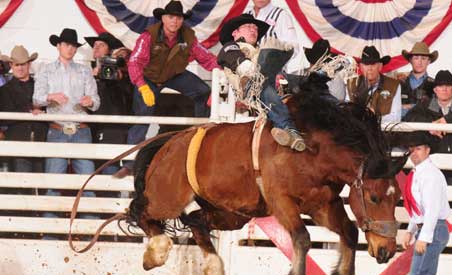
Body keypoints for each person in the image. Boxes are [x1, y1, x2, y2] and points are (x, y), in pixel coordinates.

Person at [116, 0, 220, 178]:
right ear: (163, 18)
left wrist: (223, 72)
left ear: (182, 20)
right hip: (149, 78)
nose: (175, 21)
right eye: (171, 17)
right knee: (142, 116)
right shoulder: (148, 36)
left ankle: (201, 129)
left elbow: (207, 59)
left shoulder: (189, 38)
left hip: (174, 75)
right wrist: (142, 86)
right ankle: (130, 163)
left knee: (203, 91)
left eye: (178, 18)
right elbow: (134, 62)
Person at [33, 28, 100, 219]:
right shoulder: (46, 70)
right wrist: (50, 97)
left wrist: (90, 102)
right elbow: (36, 99)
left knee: (87, 185)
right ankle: (50, 233)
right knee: (54, 184)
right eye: (67, 45)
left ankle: (90, 231)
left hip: (81, 129)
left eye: (73, 46)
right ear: (59, 46)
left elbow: (96, 100)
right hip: (57, 129)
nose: (70, 49)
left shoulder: (84, 71)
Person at [217, 14, 305, 151]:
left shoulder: (260, 50)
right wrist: (243, 64)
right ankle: (289, 129)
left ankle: (323, 73)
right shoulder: (232, 47)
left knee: (303, 83)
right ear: (235, 32)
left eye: (256, 28)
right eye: (248, 26)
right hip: (251, 91)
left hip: (270, 84)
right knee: (261, 82)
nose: (253, 29)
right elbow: (229, 55)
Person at [401, 130, 452, 275]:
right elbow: (421, 207)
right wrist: (411, 230)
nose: (414, 153)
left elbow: (433, 209)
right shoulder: (420, 173)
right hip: (429, 227)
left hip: (433, 228)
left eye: (418, 148)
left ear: (427, 150)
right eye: (411, 150)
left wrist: (424, 236)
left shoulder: (430, 175)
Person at [406, 70, 452, 185]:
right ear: (435, 90)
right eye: (440, 86)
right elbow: (409, 117)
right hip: (433, 161)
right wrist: (430, 124)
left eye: (448, 86)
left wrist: (446, 120)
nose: (444, 89)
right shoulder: (425, 105)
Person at [84, 32, 132, 177]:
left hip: (113, 126)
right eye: (95, 45)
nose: (96, 48)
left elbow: (128, 94)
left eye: (101, 45)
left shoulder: (121, 70)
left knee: (109, 167)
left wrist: (118, 75)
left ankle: (112, 197)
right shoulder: (86, 72)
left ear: (109, 51)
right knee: (92, 168)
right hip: (91, 127)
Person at [0, 45, 47, 181]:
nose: (20, 68)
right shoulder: (4, 90)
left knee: (42, 182)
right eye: (17, 64)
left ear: (29, 64)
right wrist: (30, 110)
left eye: (23, 64)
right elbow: (4, 117)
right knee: (22, 183)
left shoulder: (40, 86)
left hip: (42, 140)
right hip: (18, 141)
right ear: (11, 65)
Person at [246, 0, 302, 88]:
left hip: (273, 76)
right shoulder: (246, 15)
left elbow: (293, 48)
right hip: (247, 74)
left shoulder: (281, 15)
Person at [346, 46, 401, 123]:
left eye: (373, 64)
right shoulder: (351, 84)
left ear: (380, 66)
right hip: (358, 132)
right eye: (366, 64)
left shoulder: (393, 85)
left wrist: (373, 117)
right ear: (361, 67)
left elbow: (396, 118)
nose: (370, 68)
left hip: (384, 133)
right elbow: (347, 116)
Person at [400, 42, 437, 118]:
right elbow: (391, 110)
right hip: (400, 128)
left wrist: (407, 107)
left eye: (423, 58)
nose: (419, 62)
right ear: (410, 60)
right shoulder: (399, 83)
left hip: (425, 127)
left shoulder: (436, 85)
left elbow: (436, 110)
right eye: (416, 58)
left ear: (429, 61)